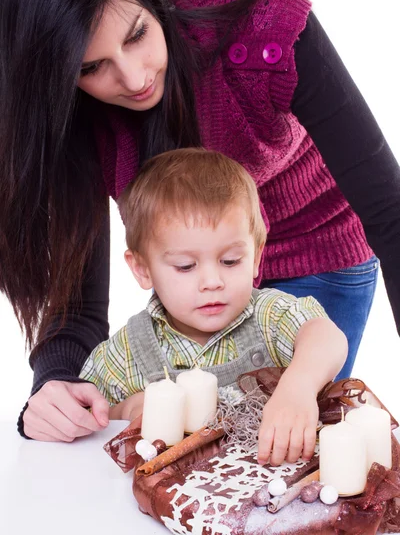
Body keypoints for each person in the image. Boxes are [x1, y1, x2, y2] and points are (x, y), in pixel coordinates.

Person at [0, 0, 398, 443]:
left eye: (137, 34)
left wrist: (299, 384)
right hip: (185, 276)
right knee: (188, 440)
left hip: (316, 255)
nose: (135, 76)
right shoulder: (66, 116)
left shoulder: (257, 30)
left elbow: (389, 209)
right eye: (91, 67)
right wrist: (54, 388)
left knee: (287, 439)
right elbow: (78, 300)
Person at [80, 148, 348, 465]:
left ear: (256, 256)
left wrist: (298, 387)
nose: (212, 281)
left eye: (230, 261)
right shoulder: (124, 353)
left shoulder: (269, 316)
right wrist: (127, 410)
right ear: (142, 269)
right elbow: (87, 420)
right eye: (185, 266)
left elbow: (326, 336)